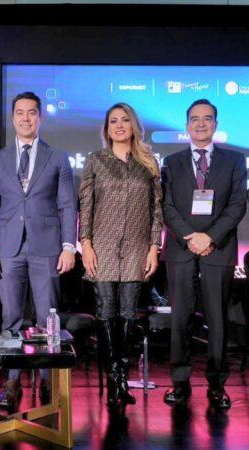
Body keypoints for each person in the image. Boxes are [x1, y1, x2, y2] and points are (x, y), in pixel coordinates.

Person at [0, 91, 77, 411]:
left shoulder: (58, 158)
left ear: (40, 118)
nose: (25, 118)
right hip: (8, 247)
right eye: (20, 113)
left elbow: (67, 205)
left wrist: (68, 246)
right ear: (12, 118)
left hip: (47, 246)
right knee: (10, 317)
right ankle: (12, 381)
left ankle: (48, 380)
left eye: (31, 112)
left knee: (48, 316)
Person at [161, 99, 247, 409]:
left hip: (217, 247)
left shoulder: (235, 160)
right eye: (195, 119)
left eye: (207, 118)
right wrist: (191, 236)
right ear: (187, 126)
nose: (201, 124)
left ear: (215, 124)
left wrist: (209, 236)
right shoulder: (171, 162)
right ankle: (180, 381)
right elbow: (166, 206)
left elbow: (237, 204)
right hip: (181, 247)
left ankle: (217, 384)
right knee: (180, 318)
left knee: (218, 318)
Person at [78, 102, 163, 409]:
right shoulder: (95, 160)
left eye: (124, 120)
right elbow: (86, 206)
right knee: (106, 312)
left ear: (133, 125)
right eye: (113, 121)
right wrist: (85, 243)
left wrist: (154, 246)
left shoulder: (148, 163)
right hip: (101, 246)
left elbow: (156, 209)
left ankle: (121, 378)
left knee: (128, 313)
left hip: (137, 247)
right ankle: (115, 380)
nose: (119, 125)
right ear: (107, 128)